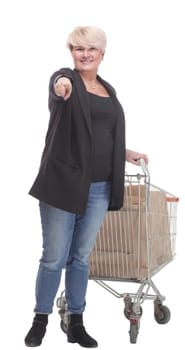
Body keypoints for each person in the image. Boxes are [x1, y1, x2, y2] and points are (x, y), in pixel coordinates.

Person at [25, 26, 149, 348]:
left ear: (102, 54)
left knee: (80, 258)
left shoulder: (108, 90)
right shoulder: (66, 79)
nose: (85, 54)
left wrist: (126, 153)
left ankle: (76, 321)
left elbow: (100, 135)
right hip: (64, 184)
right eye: (78, 48)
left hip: (99, 187)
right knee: (54, 257)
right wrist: (62, 86)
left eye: (91, 49)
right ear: (72, 52)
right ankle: (40, 318)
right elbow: (58, 87)